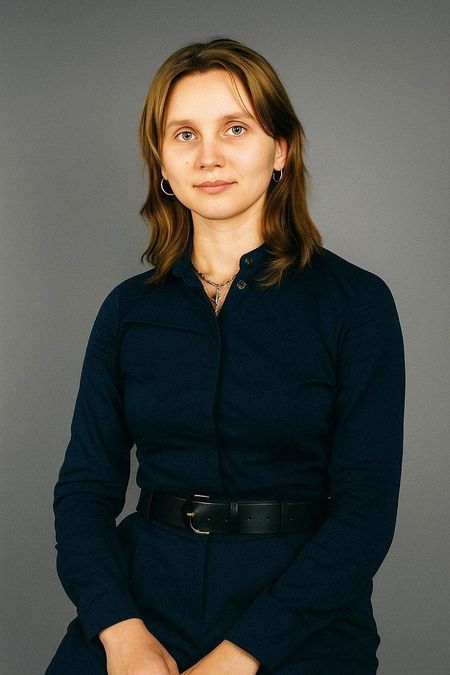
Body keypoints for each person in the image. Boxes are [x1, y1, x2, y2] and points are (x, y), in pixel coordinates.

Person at [45, 37, 406, 675]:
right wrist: (119, 630)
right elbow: (84, 490)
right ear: (161, 162)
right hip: (144, 604)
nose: (208, 156)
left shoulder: (356, 304)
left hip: (300, 617)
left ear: (280, 149)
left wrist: (243, 656)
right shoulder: (127, 311)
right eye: (184, 134)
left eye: (235, 129)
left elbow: (365, 513)